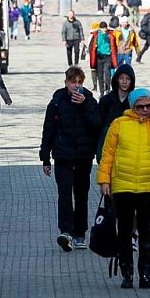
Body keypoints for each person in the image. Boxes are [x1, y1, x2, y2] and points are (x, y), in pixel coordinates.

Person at [97, 88, 150, 289]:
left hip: (147, 186)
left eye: (149, 106)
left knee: (146, 231)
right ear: (133, 107)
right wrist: (104, 180)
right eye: (140, 106)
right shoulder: (119, 125)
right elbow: (108, 155)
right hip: (122, 186)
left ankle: (145, 274)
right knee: (124, 231)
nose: (144, 110)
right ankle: (127, 273)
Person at [40, 66, 102, 252]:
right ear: (66, 82)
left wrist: (85, 105)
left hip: (83, 156)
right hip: (63, 156)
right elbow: (48, 130)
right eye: (72, 82)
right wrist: (45, 157)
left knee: (81, 195)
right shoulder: (57, 102)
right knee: (65, 195)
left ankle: (80, 233)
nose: (76, 86)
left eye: (79, 82)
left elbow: (97, 125)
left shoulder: (90, 101)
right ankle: (66, 232)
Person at [97, 64, 135, 159]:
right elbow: (98, 124)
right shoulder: (106, 100)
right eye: (122, 78)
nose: (124, 82)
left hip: (127, 146)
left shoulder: (134, 102)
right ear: (117, 79)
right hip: (107, 143)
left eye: (128, 79)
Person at [89, 21, 117, 98]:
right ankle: (101, 92)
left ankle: (107, 90)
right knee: (100, 75)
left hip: (107, 56)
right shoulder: (96, 35)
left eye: (105, 28)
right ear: (100, 28)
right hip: (99, 57)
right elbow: (91, 46)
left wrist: (114, 56)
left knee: (107, 73)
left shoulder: (110, 35)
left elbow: (114, 46)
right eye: (102, 28)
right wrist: (90, 56)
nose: (104, 30)